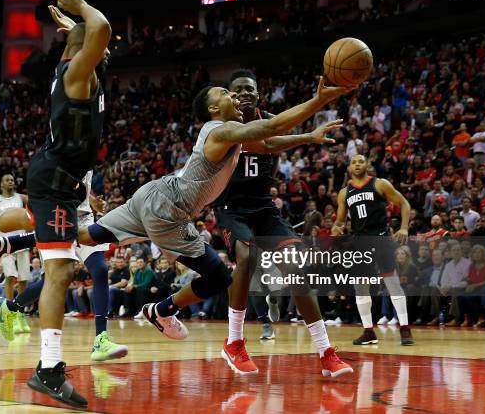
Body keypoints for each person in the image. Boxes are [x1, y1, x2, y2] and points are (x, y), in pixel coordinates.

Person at [76, 74, 349, 376]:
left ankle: (21, 239)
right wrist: (320, 100)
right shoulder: (221, 130)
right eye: (227, 93)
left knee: (86, 235)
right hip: (170, 211)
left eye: (244, 91)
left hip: (154, 194)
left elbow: (268, 141)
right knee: (221, 275)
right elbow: (271, 129)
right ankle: (201, 327)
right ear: (214, 109)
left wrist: (309, 137)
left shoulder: (234, 131)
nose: (235, 96)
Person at [0, 0, 112, 408]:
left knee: (46, 242)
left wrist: (72, 30)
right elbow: (101, 27)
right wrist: (80, 11)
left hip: (60, 178)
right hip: (57, 178)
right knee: (61, 271)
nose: (106, 48)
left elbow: (92, 36)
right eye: (97, 47)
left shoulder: (79, 67)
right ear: (83, 51)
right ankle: (48, 369)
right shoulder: (76, 75)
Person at [213, 69, 351, 376]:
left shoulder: (271, 118)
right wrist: (306, 136)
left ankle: (326, 352)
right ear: (229, 97)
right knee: (246, 258)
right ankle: (234, 342)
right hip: (231, 208)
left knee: (296, 269)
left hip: (263, 207)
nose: (245, 93)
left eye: (250, 88)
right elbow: (268, 145)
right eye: (238, 90)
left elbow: (274, 140)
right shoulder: (218, 126)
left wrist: (314, 114)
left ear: (259, 95)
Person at [332, 155, 415, 346]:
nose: (358, 164)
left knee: (392, 282)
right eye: (354, 162)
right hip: (360, 241)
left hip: (381, 238)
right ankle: (368, 331)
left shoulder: (380, 184)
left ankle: (405, 328)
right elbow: (340, 220)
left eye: (361, 161)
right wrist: (337, 227)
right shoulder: (344, 193)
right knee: (360, 286)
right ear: (349, 168)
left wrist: (404, 227)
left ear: (367, 165)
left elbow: (403, 203)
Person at [0, 174, 31, 334]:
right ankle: (10, 312)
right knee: (10, 278)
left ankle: (21, 314)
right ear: (1, 184)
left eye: (12, 179)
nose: (11, 182)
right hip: (5, 245)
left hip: (23, 242)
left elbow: (31, 218)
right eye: (7, 180)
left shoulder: (23, 198)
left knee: (24, 280)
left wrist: (31, 237)